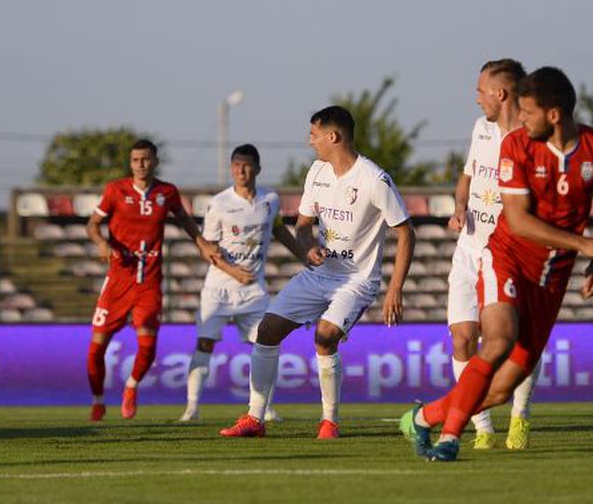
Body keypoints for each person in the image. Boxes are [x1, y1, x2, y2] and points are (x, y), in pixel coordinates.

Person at [401, 67, 593, 462]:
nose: (520, 120)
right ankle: (450, 439)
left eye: (528, 113)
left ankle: (426, 416)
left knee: (503, 389)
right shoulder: (517, 146)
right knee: (498, 340)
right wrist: (586, 244)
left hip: (551, 278)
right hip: (507, 256)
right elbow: (519, 221)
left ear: (554, 115)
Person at [220, 106, 416, 440]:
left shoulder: (373, 178)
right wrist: (307, 247)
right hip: (319, 274)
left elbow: (407, 232)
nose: (310, 141)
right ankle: (255, 418)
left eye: (313, 134)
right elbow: (303, 225)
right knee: (267, 330)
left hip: (356, 280)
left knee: (324, 337)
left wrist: (395, 289)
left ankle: (330, 422)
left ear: (333, 136)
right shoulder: (317, 172)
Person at [86, 139, 220, 422]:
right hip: (117, 281)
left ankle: (131, 387)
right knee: (96, 348)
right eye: (136, 160)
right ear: (130, 163)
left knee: (147, 343)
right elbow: (92, 224)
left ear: (155, 161)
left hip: (148, 281)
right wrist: (100, 243)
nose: (141, 165)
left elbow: (184, 219)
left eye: (146, 159)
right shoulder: (115, 190)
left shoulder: (166, 192)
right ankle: (98, 399)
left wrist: (201, 243)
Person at [446, 59, 540, 450]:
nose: (476, 97)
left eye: (481, 90)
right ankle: (482, 427)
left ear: (500, 94)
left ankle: (520, 416)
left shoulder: (532, 139)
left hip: (508, 254)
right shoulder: (480, 130)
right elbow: (467, 175)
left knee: (515, 343)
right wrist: (459, 205)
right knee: (462, 340)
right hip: (469, 248)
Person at [179, 144, 304, 423]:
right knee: (204, 343)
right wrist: (233, 271)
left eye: (246, 165)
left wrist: (304, 255)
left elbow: (279, 229)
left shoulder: (270, 199)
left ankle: (265, 408)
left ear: (257, 168)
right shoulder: (219, 203)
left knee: (266, 344)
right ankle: (192, 409)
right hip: (219, 288)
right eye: (236, 165)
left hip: (253, 290)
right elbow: (207, 248)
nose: (240, 170)